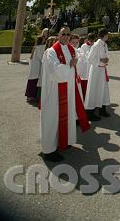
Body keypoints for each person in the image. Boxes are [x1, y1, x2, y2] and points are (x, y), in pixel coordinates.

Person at [40, 28, 90, 162]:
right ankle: (49, 150)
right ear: (58, 35)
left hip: (68, 89)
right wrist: (70, 66)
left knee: (67, 115)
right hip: (54, 90)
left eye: (68, 34)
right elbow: (55, 70)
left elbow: (77, 67)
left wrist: (75, 65)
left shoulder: (71, 50)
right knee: (53, 117)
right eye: (63, 34)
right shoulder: (51, 52)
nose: (66, 36)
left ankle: (64, 141)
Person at [85, 28, 111, 120]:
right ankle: (90, 112)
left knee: (103, 89)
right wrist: (100, 60)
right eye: (107, 34)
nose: (108, 36)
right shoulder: (95, 46)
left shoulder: (104, 45)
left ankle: (102, 109)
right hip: (96, 71)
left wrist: (106, 59)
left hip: (102, 70)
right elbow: (89, 59)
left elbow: (105, 55)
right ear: (104, 35)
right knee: (94, 90)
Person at [25, 35, 46, 103]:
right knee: (34, 81)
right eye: (44, 39)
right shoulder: (40, 47)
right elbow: (41, 57)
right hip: (37, 66)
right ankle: (32, 96)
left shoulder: (36, 47)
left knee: (32, 81)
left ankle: (29, 96)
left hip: (34, 66)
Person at [77, 33, 96, 99]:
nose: (92, 42)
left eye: (93, 41)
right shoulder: (83, 46)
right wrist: (90, 57)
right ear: (87, 40)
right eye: (90, 41)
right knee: (85, 85)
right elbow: (83, 57)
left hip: (93, 67)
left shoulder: (95, 45)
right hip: (86, 68)